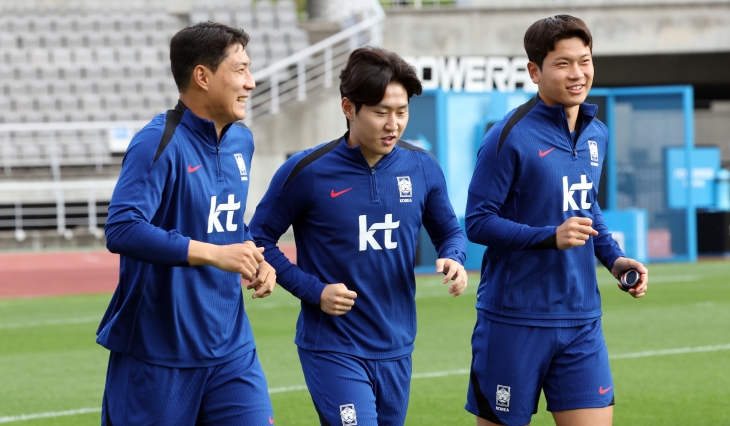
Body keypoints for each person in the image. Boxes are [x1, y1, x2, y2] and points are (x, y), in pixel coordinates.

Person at [249, 46, 468, 426]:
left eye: (401, 112)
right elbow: (260, 239)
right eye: (381, 112)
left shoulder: (422, 167)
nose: (393, 124)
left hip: (397, 345)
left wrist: (454, 257)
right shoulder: (305, 171)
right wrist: (314, 291)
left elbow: (450, 231)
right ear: (349, 108)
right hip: (333, 346)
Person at [464, 15, 649, 426]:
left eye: (584, 60)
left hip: (582, 320)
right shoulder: (507, 135)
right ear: (535, 71)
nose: (577, 73)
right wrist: (549, 236)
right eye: (563, 63)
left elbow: (587, 208)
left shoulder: (596, 133)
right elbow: (477, 222)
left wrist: (615, 260)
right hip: (515, 321)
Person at [97, 22, 276, 425]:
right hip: (159, 355)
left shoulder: (241, 141)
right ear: (202, 76)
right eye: (240, 69)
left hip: (232, 350)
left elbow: (226, 224)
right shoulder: (157, 141)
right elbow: (122, 227)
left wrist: (255, 257)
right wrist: (214, 254)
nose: (250, 82)